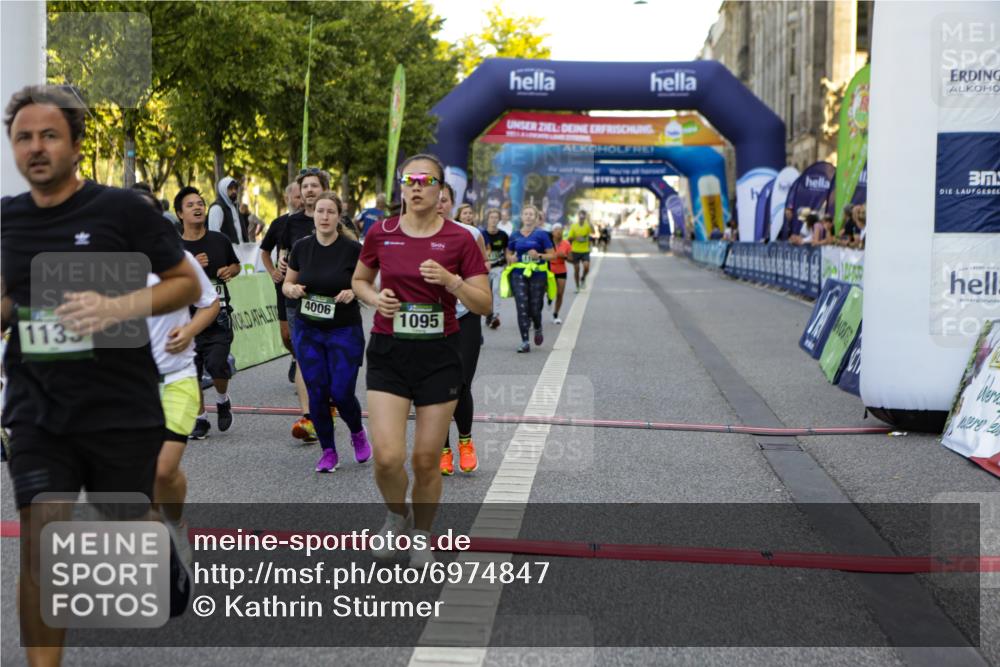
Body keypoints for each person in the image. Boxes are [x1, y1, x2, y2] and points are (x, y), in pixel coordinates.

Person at [2, 84, 201, 666]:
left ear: (76, 144)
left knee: (124, 515)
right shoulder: (8, 221)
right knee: (41, 539)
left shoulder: (122, 211)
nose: (35, 148)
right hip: (38, 409)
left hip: (120, 406)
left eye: (48, 135)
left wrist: (115, 307)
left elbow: (185, 283)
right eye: (22, 138)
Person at [352, 154, 491, 568]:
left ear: (440, 190)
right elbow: (358, 281)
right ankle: (397, 515)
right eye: (408, 180)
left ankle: (423, 535)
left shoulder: (460, 240)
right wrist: (378, 298)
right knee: (388, 457)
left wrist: (451, 282)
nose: (416, 187)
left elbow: (483, 303)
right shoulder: (381, 232)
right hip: (389, 352)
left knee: (427, 459)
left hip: (439, 355)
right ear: (401, 187)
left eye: (425, 181)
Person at [283, 191, 371, 473]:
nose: (324, 216)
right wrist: (292, 289)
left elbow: (366, 284)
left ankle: (357, 432)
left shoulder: (352, 249)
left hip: (343, 329)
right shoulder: (301, 247)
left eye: (330, 212)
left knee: (342, 392)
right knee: (318, 392)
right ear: (314, 214)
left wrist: (351, 291)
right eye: (320, 211)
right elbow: (287, 284)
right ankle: (328, 451)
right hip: (308, 330)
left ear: (338, 216)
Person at [176, 186, 241, 440]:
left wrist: (230, 270)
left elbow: (236, 265)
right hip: (186, 319)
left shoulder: (219, 240)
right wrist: (192, 266)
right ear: (180, 214)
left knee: (216, 365)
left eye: (200, 203)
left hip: (219, 316)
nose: (197, 207)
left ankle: (223, 400)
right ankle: (200, 418)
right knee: (191, 371)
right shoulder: (174, 246)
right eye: (190, 205)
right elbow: (166, 279)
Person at [282, 168, 336, 444]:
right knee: (305, 357)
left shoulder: (341, 221)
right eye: (305, 186)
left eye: (315, 185)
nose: (309, 191)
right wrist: (282, 273)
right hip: (299, 302)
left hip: (333, 305)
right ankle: (308, 416)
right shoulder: (289, 224)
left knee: (329, 361)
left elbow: (357, 266)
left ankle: (328, 402)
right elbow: (280, 256)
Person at [438, 189, 488, 476]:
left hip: (464, 316)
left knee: (460, 383)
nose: (439, 205)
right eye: (437, 199)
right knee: (436, 385)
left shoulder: (470, 234)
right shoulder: (413, 235)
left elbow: (480, 278)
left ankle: (465, 442)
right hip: (431, 319)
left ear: (452, 204)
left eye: (445, 200)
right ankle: (443, 449)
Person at [260, 181, 303, 385]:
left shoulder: (317, 221)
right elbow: (265, 252)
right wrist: (272, 271)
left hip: (309, 286)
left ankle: (305, 365)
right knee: (287, 335)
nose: (301, 200)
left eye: (302, 195)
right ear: (288, 199)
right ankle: (295, 356)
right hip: (285, 285)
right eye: (297, 197)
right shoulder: (280, 223)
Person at [503, 204, 555, 353]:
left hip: (537, 274)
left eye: (531, 214)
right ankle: (525, 341)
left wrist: (539, 255)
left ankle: (538, 327)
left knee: (535, 307)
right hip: (518, 273)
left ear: (536, 217)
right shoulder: (514, 235)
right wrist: (510, 258)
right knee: (521, 307)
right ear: (521, 217)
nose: (528, 216)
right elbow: (508, 253)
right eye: (526, 214)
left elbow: (553, 255)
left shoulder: (542, 235)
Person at [480, 208, 508, 330]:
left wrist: (507, 265)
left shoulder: (503, 235)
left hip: (497, 267)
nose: (493, 220)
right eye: (491, 217)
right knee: (487, 293)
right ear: (488, 219)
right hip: (484, 269)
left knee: (496, 290)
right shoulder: (481, 234)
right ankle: (488, 315)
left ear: (499, 219)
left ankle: (495, 316)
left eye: (496, 217)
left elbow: (507, 251)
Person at [208, 175, 248, 244]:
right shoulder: (217, 208)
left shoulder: (235, 207)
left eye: (235, 188)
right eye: (230, 188)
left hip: (240, 251)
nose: (234, 191)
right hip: (226, 252)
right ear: (223, 189)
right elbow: (215, 235)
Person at [549, 223, 572, 324]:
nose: (559, 232)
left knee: (560, 293)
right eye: (556, 230)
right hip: (549, 270)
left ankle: (556, 314)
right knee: (548, 292)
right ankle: (549, 298)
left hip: (561, 270)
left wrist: (565, 256)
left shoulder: (566, 244)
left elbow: (571, 259)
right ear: (552, 232)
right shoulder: (548, 243)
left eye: (560, 230)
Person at [566, 208, 593, 292]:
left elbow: (593, 231)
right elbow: (569, 238)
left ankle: (583, 278)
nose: (581, 218)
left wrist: (589, 221)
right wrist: (575, 237)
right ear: (578, 217)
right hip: (575, 250)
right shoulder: (574, 226)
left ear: (585, 217)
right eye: (580, 216)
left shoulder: (587, 225)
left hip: (585, 250)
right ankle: (577, 286)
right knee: (576, 269)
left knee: (586, 267)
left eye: (583, 216)